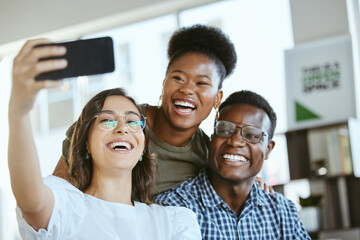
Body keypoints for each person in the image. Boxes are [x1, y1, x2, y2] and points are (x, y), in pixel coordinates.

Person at [8, 39, 202, 239]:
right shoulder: (65, 205)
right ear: (86, 144)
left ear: (143, 147)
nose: (122, 128)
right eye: (107, 120)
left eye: (133, 121)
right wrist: (19, 113)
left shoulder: (174, 222)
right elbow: (32, 202)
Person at [55, 24, 242, 195]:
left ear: (217, 98)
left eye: (201, 83)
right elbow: (56, 199)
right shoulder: (109, 123)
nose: (187, 89)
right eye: (178, 78)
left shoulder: (207, 156)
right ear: (164, 83)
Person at [154, 90, 311, 239]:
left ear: (268, 149)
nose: (235, 141)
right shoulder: (173, 207)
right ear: (212, 138)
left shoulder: (283, 212)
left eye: (251, 135)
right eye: (224, 130)